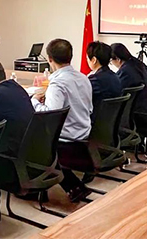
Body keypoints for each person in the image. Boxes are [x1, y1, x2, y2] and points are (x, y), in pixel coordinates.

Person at [30, 39, 93, 203]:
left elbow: (50, 117)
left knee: (28, 140)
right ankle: (74, 186)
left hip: (66, 140)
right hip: (84, 133)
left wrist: (34, 101)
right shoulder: (84, 78)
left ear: (50, 59)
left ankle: (35, 188)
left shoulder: (57, 84)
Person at [110, 43, 147, 115]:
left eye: (111, 61)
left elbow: (116, 92)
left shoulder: (125, 72)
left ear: (118, 59)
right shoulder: (138, 64)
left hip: (138, 112)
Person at [86, 41, 122, 111]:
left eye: (87, 58)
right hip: (112, 116)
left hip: (95, 116)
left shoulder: (95, 80)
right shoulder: (115, 76)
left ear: (94, 60)